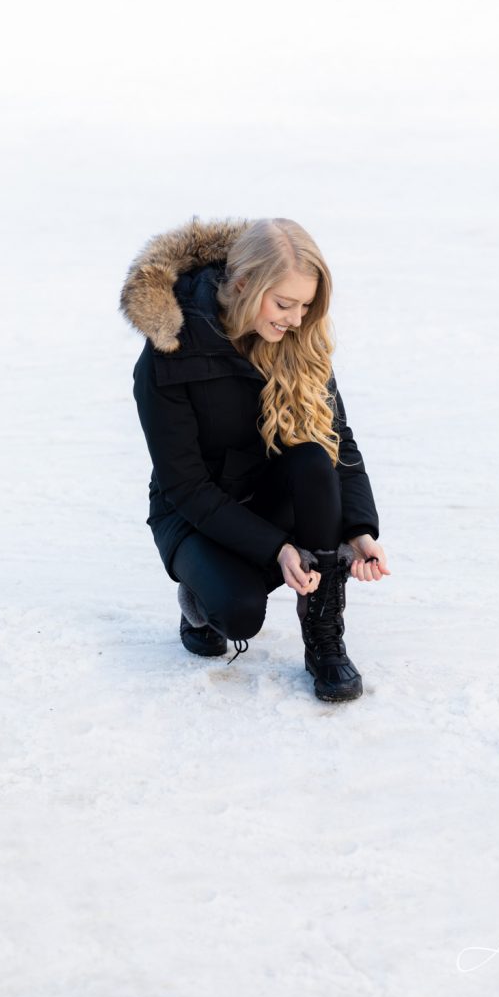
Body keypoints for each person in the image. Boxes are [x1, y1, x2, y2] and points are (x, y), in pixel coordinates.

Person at [119, 215, 391, 702]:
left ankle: (324, 635)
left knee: (312, 458)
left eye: (307, 305)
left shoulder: (298, 341)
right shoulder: (168, 354)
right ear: (243, 285)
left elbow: (339, 442)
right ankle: (199, 597)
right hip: (194, 511)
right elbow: (184, 486)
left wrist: (358, 529)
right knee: (238, 613)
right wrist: (277, 550)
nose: (296, 318)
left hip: (271, 491)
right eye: (284, 303)